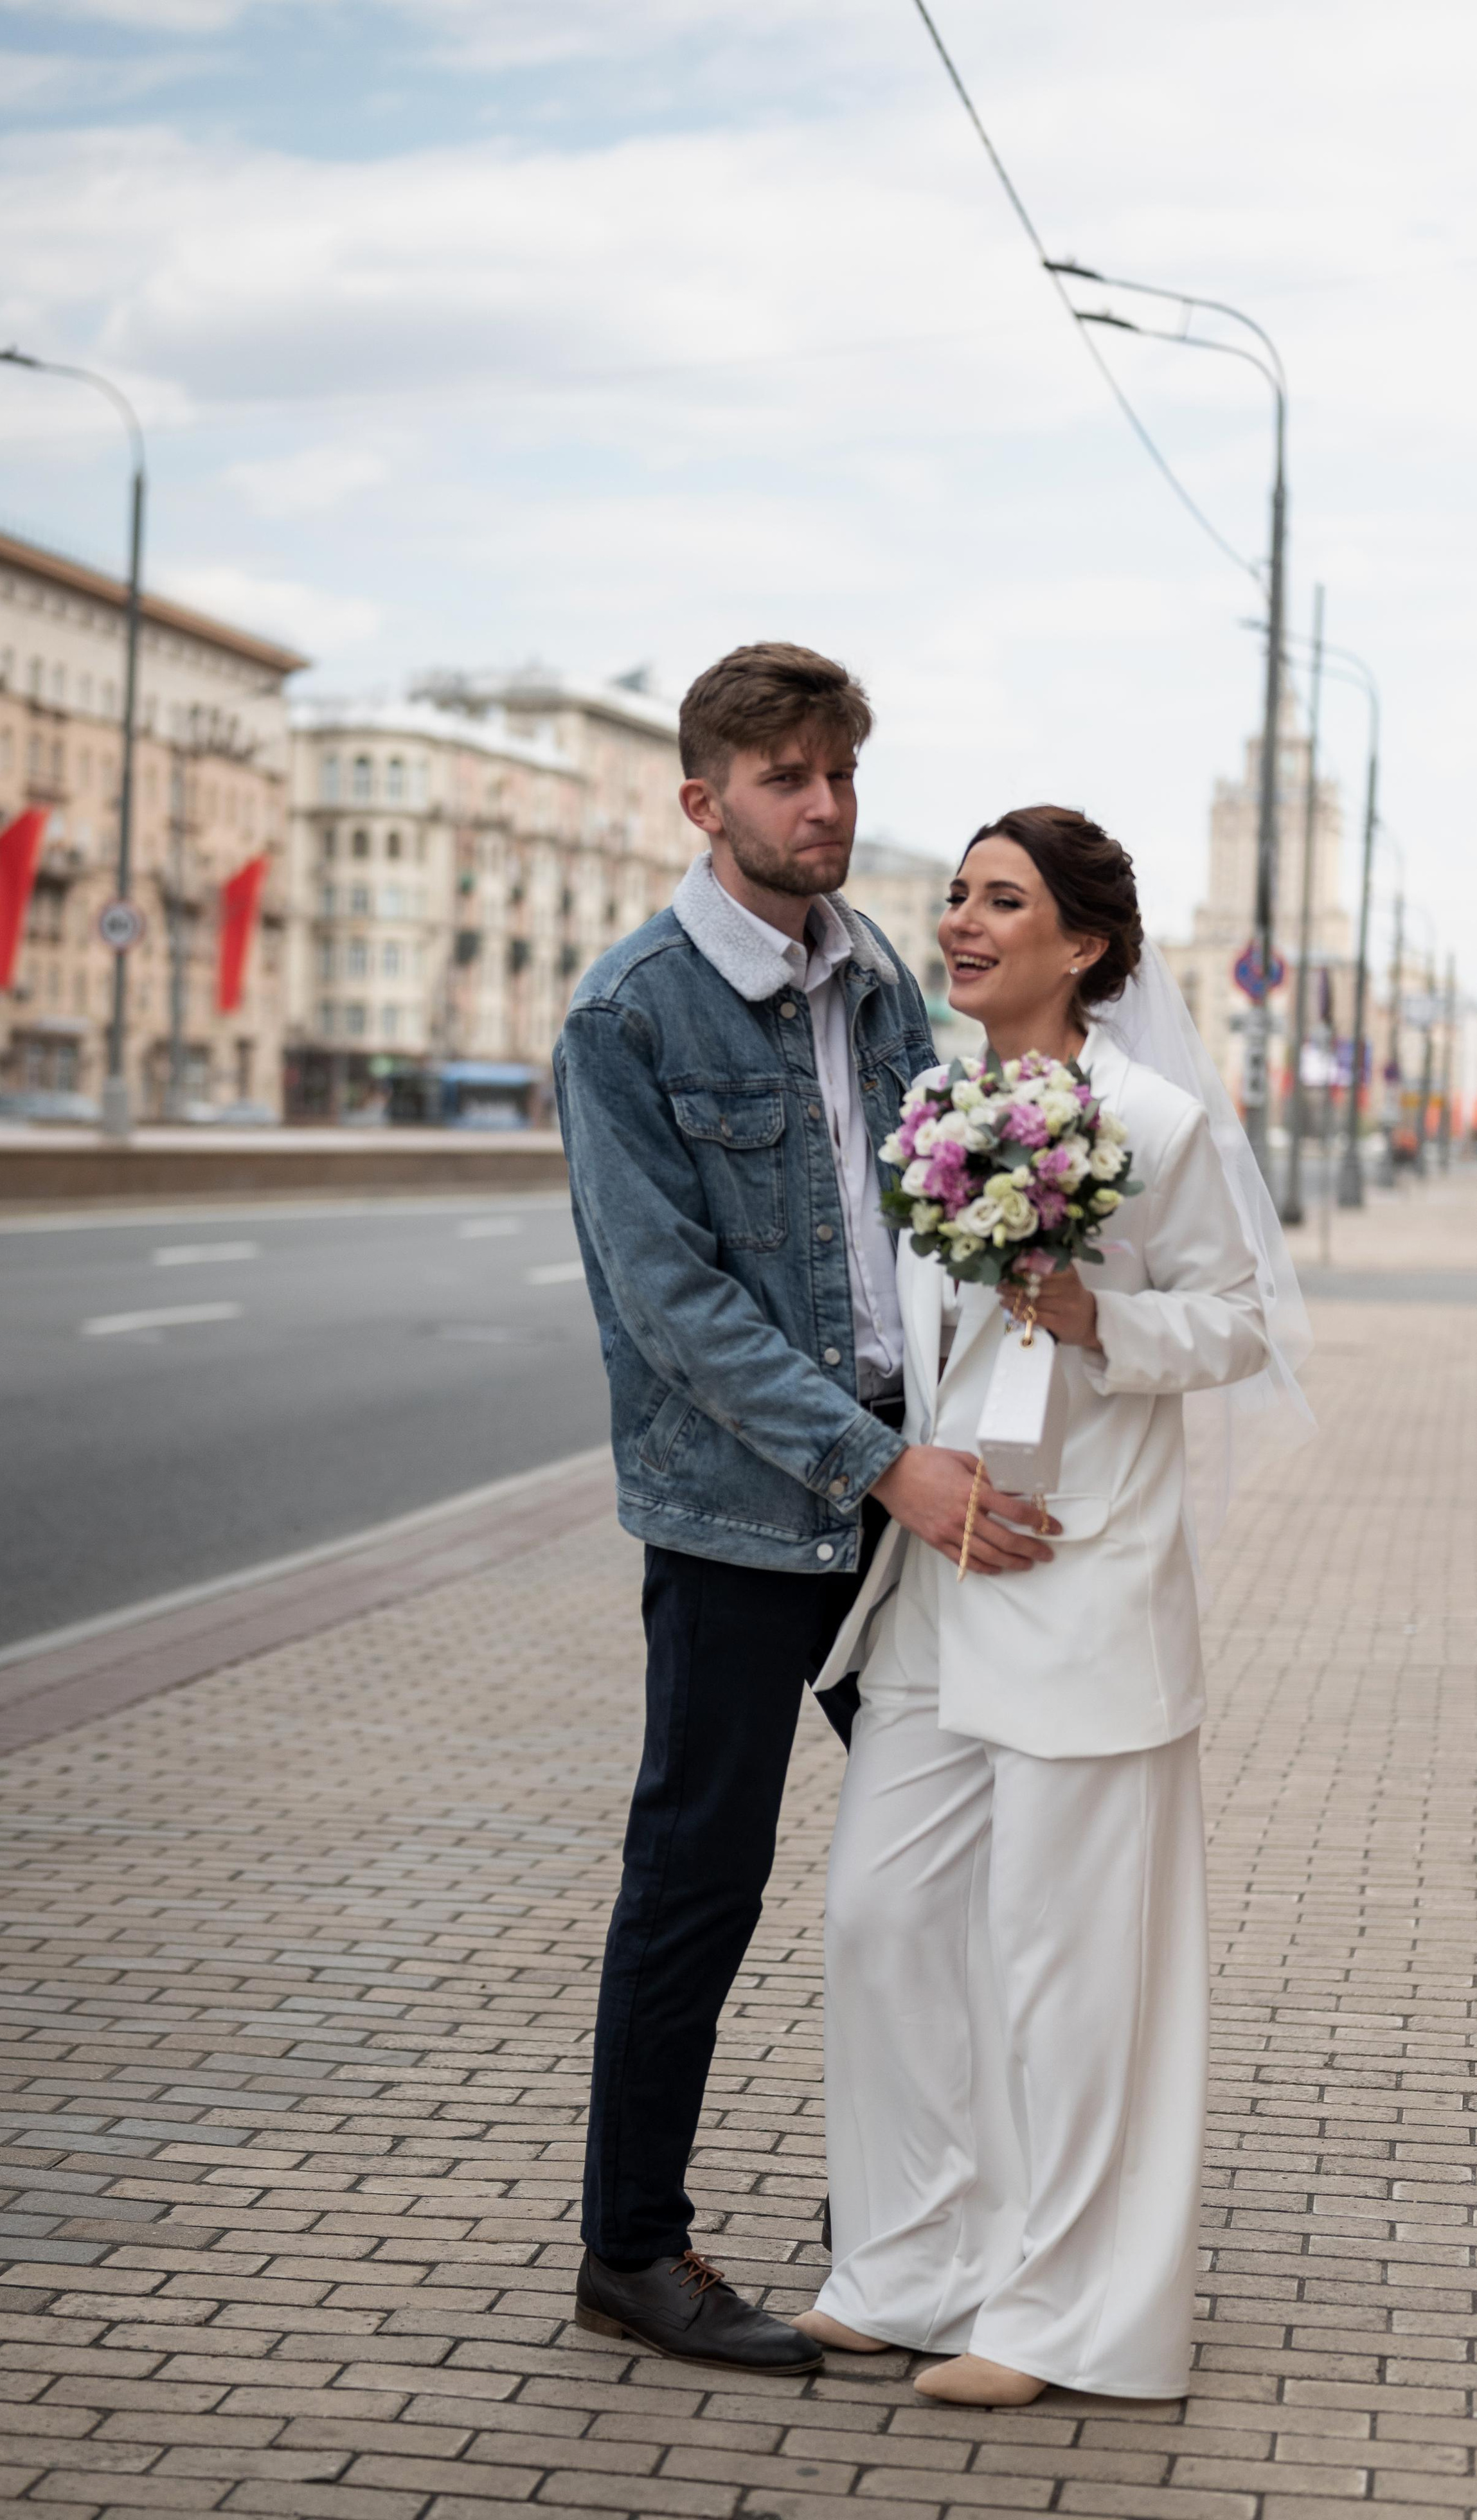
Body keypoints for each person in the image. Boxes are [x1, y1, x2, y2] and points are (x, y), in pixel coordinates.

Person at [553, 647, 1055, 2375]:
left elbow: (931, 1201)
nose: (822, 802)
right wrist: (878, 1461)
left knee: (938, 1871)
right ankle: (633, 2248)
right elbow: (672, 1307)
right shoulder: (629, 1015)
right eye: (782, 775)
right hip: (748, 1516)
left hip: (908, 1489)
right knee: (700, 1873)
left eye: (837, 768)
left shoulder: (875, 975)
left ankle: (918, 2226)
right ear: (705, 802)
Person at [791, 804, 1310, 2405]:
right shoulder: (932, 1104)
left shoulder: (1152, 1119)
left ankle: (1060, 2312)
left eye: (998, 899)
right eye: (953, 894)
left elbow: (1236, 1323)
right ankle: (907, 2262)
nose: (958, 920)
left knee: (1061, 1962)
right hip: (944, 1582)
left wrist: (1101, 1316)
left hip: (1082, 1583)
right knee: (878, 1917)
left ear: (1079, 944)